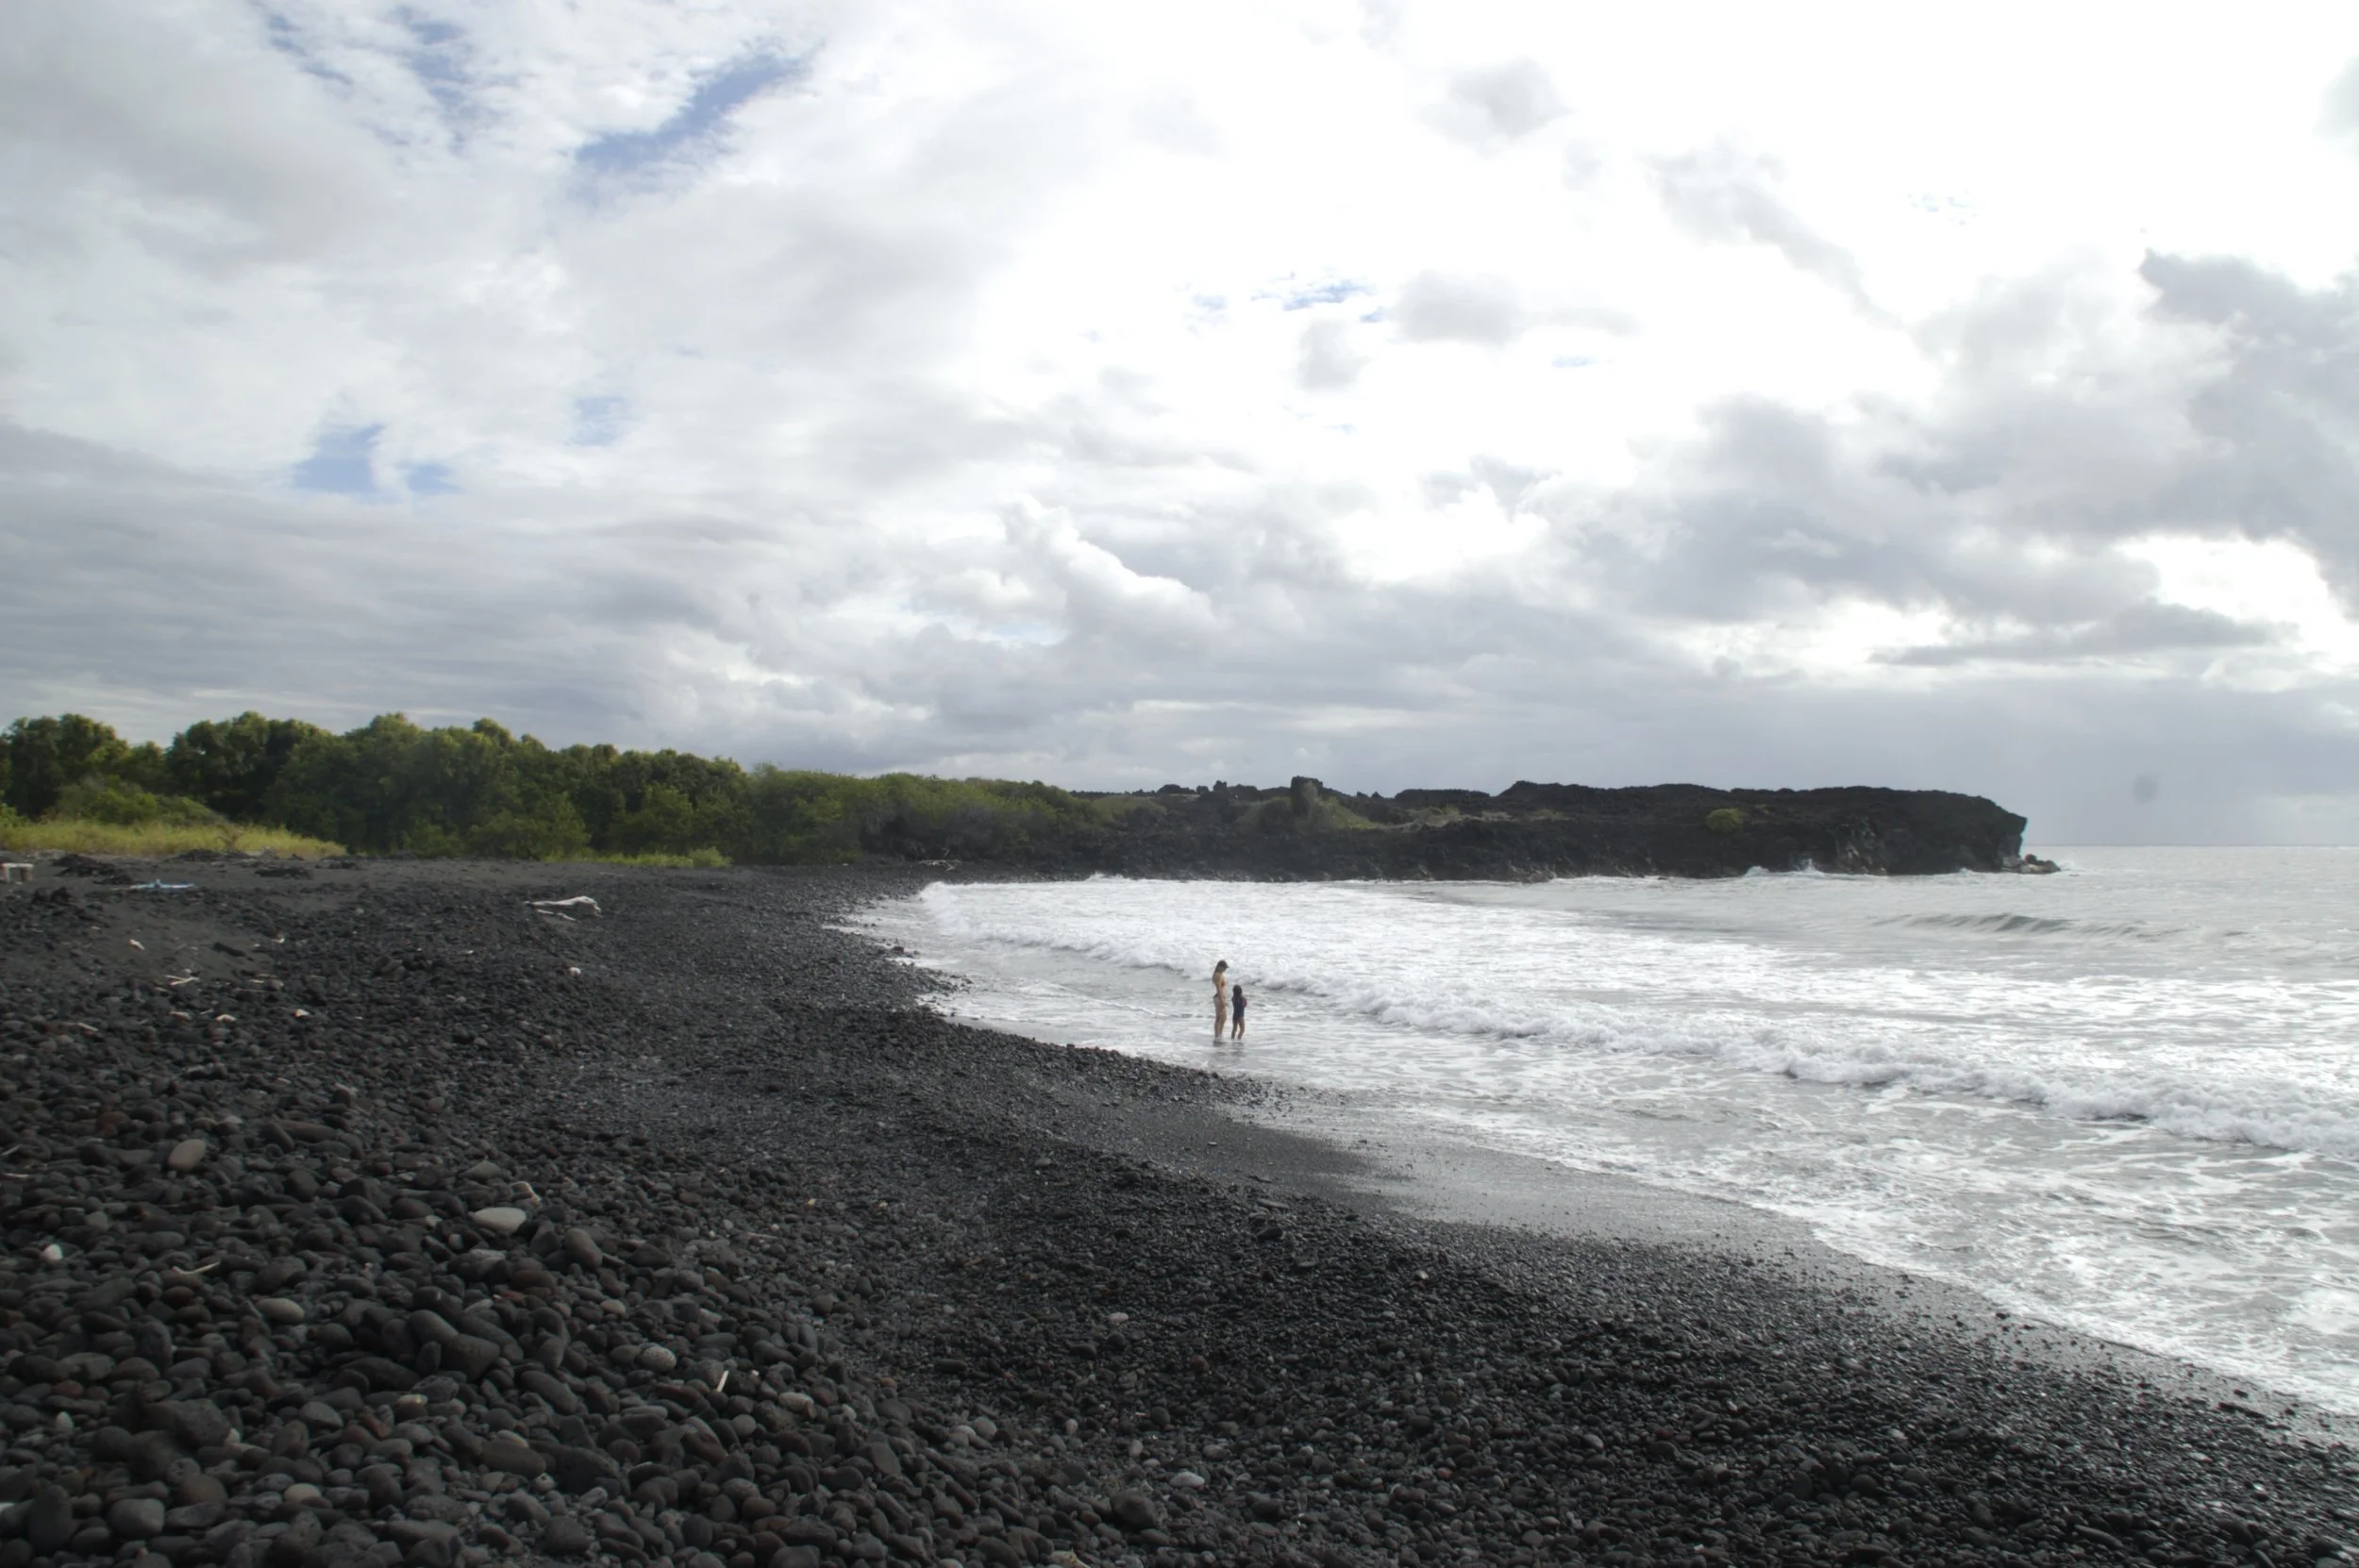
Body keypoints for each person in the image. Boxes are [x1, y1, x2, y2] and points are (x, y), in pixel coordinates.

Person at [1213, 959, 1230, 1038]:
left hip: (1221, 998)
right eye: (1224, 968)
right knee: (1219, 1018)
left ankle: (1219, 1034)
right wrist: (1222, 1000)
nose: (1225, 969)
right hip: (1219, 998)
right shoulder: (1217, 975)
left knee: (1223, 1018)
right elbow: (1218, 989)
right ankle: (1217, 1035)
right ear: (1219, 967)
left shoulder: (1220, 974)